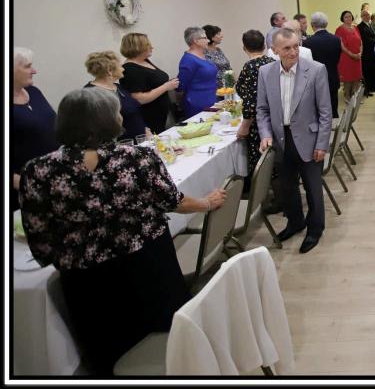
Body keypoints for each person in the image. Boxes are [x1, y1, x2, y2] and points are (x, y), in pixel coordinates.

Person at [17, 87, 227, 375]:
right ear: (106, 121)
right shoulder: (137, 158)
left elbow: (39, 237)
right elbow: (171, 201)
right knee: (166, 339)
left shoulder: (38, 171)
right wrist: (207, 203)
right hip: (148, 266)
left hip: (87, 281)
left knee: (108, 351)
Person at [257, 29, 333, 254]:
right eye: (287, 48)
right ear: (275, 50)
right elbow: (262, 110)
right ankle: (295, 222)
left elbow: (325, 112)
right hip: (281, 139)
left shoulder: (316, 70)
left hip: (309, 138)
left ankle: (315, 228)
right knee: (287, 187)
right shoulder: (266, 72)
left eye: (296, 46)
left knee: (312, 187)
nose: (293, 52)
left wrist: (322, 144)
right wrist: (265, 134)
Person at [12, 47, 59, 213]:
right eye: (27, 66)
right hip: (24, 189)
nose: (34, 71)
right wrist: (24, 184)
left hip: (51, 178)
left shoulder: (34, 92)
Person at [235, 29, 276, 186]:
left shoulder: (250, 67)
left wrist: (244, 126)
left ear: (244, 48)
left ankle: (263, 191)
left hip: (259, 123)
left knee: (261, 157)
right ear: (264, 46)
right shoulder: (273, 62)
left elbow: (252, 102)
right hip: (275, 118)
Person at [84, 51, 151, 141]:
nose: (123, 69)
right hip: (122, 145)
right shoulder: (91, 94)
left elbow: (134, 113)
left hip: (140, 140)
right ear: (109, 71)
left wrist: (145, 129)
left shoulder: (118, 87)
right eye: (120, 66)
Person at [119, 33, 179, 134]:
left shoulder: (145, 61)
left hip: (161, 115)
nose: (152, 47)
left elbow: (153, 83)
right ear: (137, 47)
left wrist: (168, 83)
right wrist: (166, 87)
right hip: (148, 117)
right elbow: (139, 99)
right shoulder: (129, 69)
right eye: (147, 45)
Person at [304, 12, 343, 118]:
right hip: (333, 77)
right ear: (326, 24)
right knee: (332, 110)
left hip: (316, 81)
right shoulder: (336, 39)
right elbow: (337, 59)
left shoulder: (308, 42)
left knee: (320, 113)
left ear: (312, 25)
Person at [177, 27, 218, 118]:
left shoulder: (203, 56)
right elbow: (181, 85)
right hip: (197, 104)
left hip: (211, 100)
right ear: (196, 41)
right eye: (205, 38)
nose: (208, 40)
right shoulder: (188, 60)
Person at [335, 10, 363, 105]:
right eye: (346, 17)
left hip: (357, 57)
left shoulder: (355, 27)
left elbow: (360, 41)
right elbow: (342, 45)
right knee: (348, 78)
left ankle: (355, 96)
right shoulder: (339, 29)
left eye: (350, 16)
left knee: (357, 78)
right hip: (347, 57)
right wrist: (352, 55)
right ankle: (347, 96)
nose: (348, 18)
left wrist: (360, 53)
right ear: (342, 18)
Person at [357, 6, 375, 95]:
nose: (367, 16)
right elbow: (365, 39)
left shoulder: (371, 25)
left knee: (373, 70)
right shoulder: (360, 27)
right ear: (361, 17)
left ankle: (373, 87)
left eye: (368, 15)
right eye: (365, 15)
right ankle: (367, 90)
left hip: (373, 52)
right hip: (366, 53)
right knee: (367, 72)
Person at [202, 24, 232, 89]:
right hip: (212, 89)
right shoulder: (203, 52)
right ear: (211, 37)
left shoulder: (219, 50)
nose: (222, 36)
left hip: (226, 88)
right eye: (218, 34)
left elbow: (228, 68)